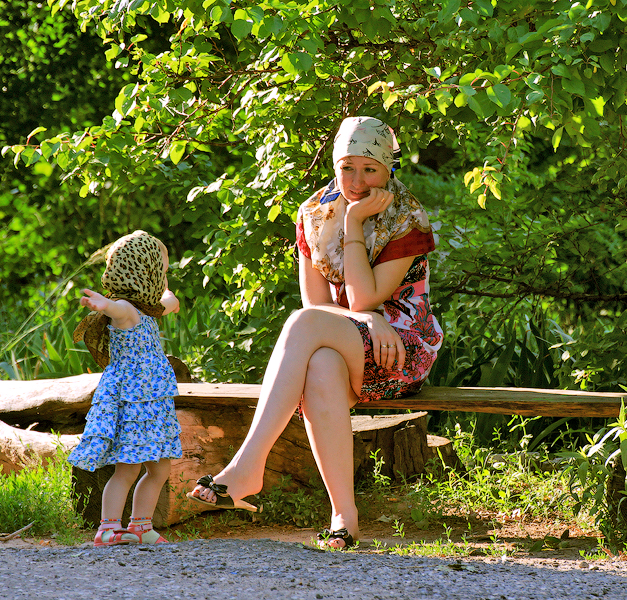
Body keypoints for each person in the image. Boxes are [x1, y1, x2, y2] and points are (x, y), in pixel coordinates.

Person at [187, 116, 443, 549]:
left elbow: (362, 298)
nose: (357, 181)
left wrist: (355, 224)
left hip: (400, 348)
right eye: (347, 167)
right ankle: (344, 516)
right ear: (334, 165)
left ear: (388, 169)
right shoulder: (312, 212)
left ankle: (250, 464)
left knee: (303, 327)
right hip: (347, 340)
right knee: (320, 365)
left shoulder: (406, 215)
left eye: (369, 169)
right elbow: (318, 305)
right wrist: (365, 318)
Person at [69, 230, 183, 546]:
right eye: (160, 270)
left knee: (160, 470)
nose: (163, 277)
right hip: (134, 406)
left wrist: (169, 296)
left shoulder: (147, 309)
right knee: (127, 470)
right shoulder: (126, 310)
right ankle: (108, 527)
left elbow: (168, 301)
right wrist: (103, 304)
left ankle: (140, 525)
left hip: (153, 406)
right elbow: (117, 310)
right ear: (143, 272)